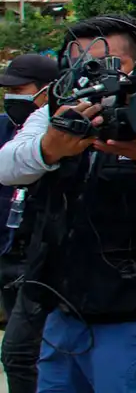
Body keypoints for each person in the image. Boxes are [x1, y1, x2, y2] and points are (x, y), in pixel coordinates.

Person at [0, 14, 136, 392]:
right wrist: (48, 148)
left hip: (135, 320)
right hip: (60, 313)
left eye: (104, 65)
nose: (90, 78)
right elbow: (7, 166)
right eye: (79, 65)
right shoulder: (55, 110)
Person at [0, 54, 59, 393]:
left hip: (44, 260)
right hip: (8, 254)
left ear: (47, 91)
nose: (11, 97)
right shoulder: (4, 130)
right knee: (22, 352)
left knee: (22, 352)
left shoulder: (68, 135)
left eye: (19, 89)